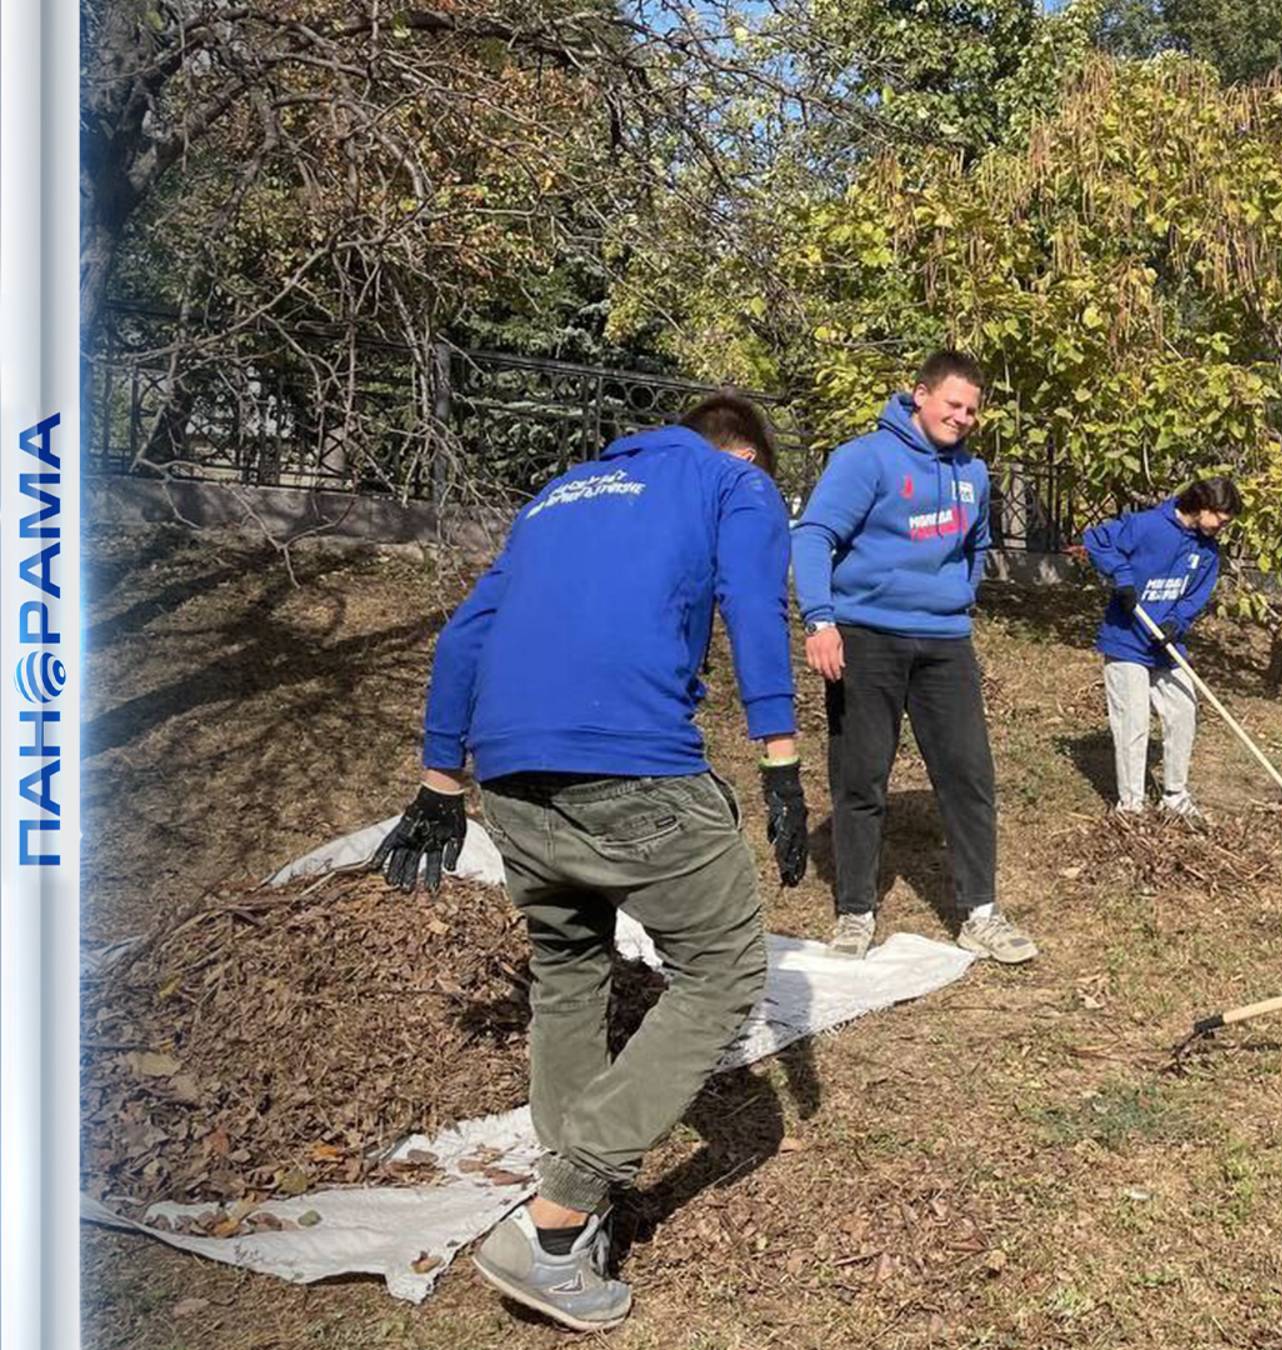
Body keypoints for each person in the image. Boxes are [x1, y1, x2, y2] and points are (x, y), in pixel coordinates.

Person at [370, 393, 811, 1331]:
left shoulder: (560, 494)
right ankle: (560, 1216)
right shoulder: (737, 482)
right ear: (745, 456)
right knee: (724, 971)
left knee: (568, 970)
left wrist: (439, 780)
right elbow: (752, 605)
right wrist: (781, 759)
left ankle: (569, 1215)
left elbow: (465, 636)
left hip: (511, 780)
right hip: (633, 770)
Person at [792, 350, 1036, 964]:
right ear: (920, 395)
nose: (963, 417)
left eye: (973, 409)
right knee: (860, 777)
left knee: (969, 774)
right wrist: (820, 619)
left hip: (945, 641)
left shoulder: (973, 473)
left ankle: (979, 912)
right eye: (953, 404)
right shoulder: (865, 458)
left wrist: (957, 597)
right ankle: (855, 912)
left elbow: (976, 546)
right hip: (867, 637)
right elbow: (814, 535)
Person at [1079, 477, 1242, 819]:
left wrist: (1176, 623)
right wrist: (1121, 577)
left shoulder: (1208, 551)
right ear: (1201, 506)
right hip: (1126, 641)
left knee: (1183, 711)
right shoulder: (1147, 526)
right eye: (1221, 520)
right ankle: (1131, 806)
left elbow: (1194, 597)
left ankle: (1175, 795)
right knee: (1133, 721)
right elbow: (1096, 539)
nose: (1222, 528)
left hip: (1166, 645)